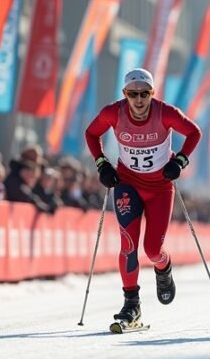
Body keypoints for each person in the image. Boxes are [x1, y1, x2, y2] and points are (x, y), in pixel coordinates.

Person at [84, 68, 201, 330]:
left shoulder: (166, 113)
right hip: (128, 184)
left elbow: (194, 133)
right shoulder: (112, 113)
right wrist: (102, 164)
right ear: (125, 94)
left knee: (152, 251)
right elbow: (91, 134)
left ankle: (164, 267)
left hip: (160, 188)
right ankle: (131, 304)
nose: (138, 100)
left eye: (144, 94)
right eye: (133, 94)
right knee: (128, 245)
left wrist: (180, 161)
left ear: (152, 93)